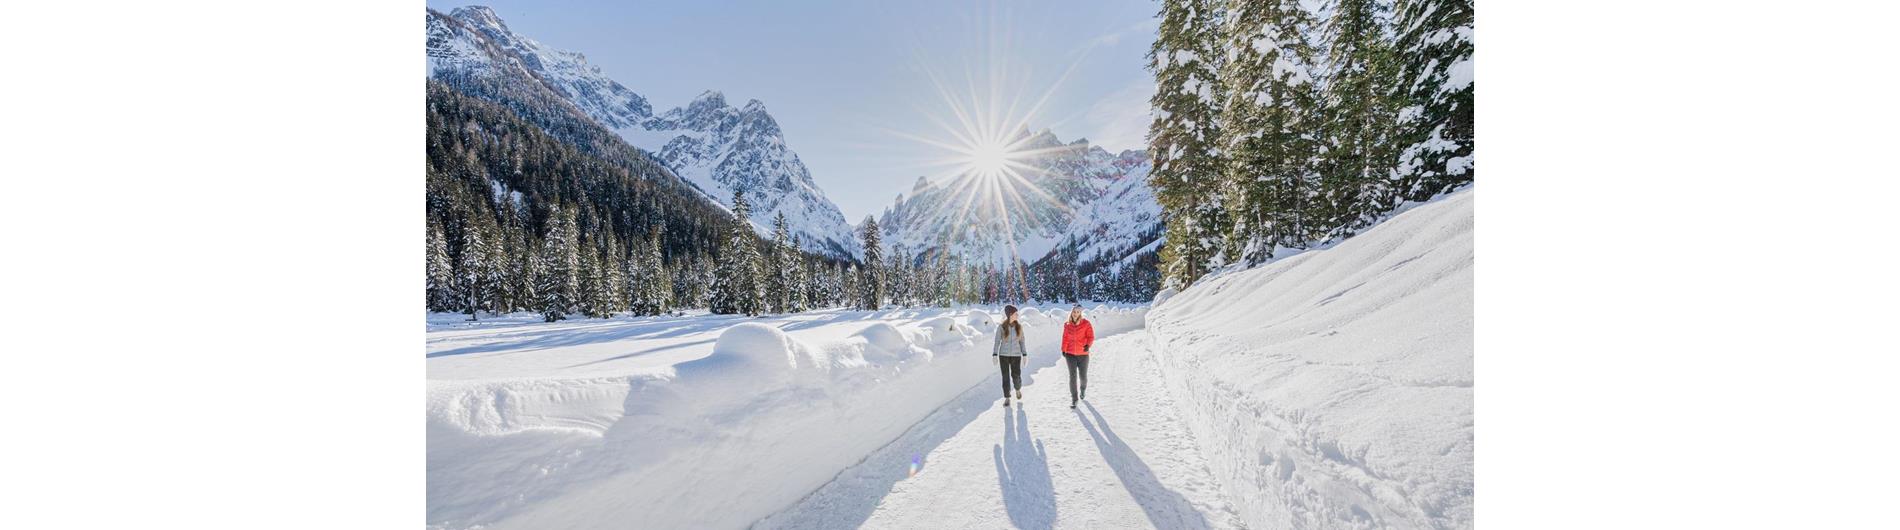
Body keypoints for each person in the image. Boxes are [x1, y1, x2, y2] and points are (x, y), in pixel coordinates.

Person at [1060, 305, 1094, 409]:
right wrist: (1063, 349)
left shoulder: (1086, 324)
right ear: (1072, 312)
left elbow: (1091, 336)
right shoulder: (1067, 325)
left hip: (1083, 354)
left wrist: (1088, 345)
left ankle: (1083, 389)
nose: (1076, 313)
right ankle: (1074, 399)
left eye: (1078, 312)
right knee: (1072, 377)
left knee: (1083, 376)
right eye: (1074, 311)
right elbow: (1065, 337)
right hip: (1070, 354)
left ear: (1080, 313)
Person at [993, 305, 1027, 406]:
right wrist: (995, 354)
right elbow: (997, 341)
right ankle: (1007, 397)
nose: (1017, 315)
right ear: (1010, 315)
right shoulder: (1001, 327)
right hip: (1003, 355)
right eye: (1015, 313)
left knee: (1016, 376)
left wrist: (1024, 354)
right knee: (1005, 377)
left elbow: (1022, 341)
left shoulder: (1019, 327)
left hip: (1016, 356)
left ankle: (1017, 389)